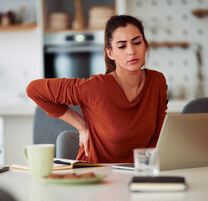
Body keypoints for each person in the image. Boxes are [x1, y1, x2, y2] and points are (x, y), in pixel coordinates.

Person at [27, 15, 168, 163]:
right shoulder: (96, 87)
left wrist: (145, 170)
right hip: (95, 175)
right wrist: (81, 125)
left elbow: (158, 137)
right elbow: (34, 89)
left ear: (145, 46)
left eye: (137, 42)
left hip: (138, 175)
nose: (131, 51)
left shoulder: (157, 81)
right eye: (122, 46)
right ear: (110, 53)